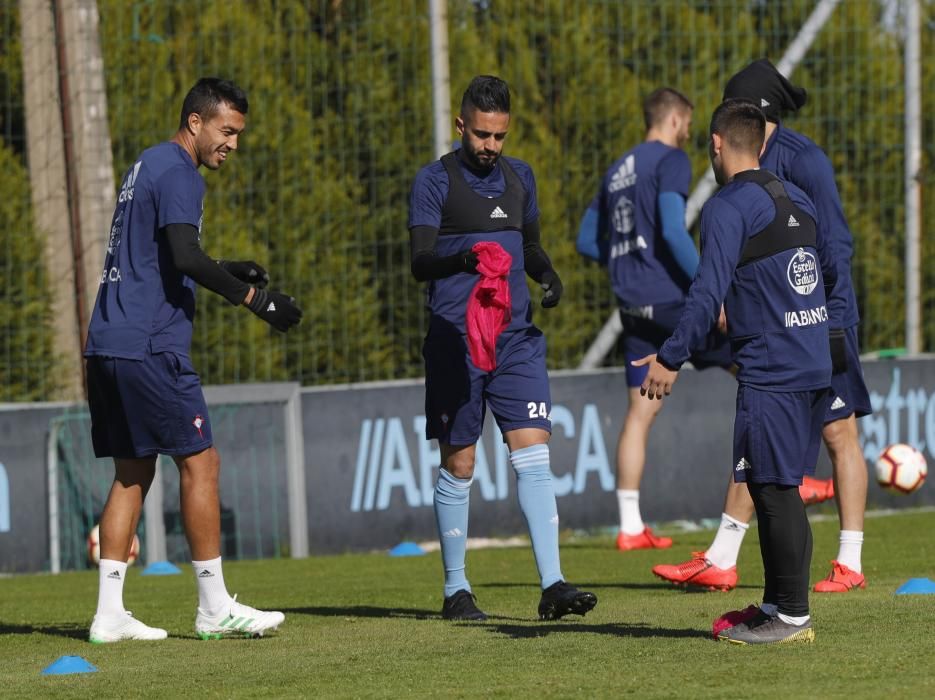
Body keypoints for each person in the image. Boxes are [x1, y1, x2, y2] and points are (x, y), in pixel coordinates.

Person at [84, 78, 302, 643]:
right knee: (200, 463)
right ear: (196, 122)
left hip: (107, 339)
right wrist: (256, 299)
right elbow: (183, 253)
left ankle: (109, 614)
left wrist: (226, 266)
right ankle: (214, 607)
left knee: (132, 471)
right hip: (150, 344)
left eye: (238, 133)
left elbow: (157, 254)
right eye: (227, 131)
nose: (232, 143)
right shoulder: (182, 173)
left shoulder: (146, 165)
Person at [652, 59, 872, 594]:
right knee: (765, 454)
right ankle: (727, 557)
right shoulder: (750, 175)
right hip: (780, 329)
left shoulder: (803, 165)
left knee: (837, 434)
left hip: (821, 322)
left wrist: (834, 323)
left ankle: (849, 561)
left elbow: (831, 250)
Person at [638, 98, 835, 644]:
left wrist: (669, 357)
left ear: (717, 144)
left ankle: (793, 617)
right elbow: (829, 271)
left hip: (773, 367)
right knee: (778, 485)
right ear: (763, 144)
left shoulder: (728, 206)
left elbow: (705, 295)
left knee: (772, 488)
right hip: (814, 358)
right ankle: (775, 604)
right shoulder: (796, 196)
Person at [409, 75, 597, 621]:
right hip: (456, 341)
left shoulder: (520, 178)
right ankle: (455, 591)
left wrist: (547, 274)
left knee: (533, 453)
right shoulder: (433, 182)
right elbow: (420, 261)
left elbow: (530, 244)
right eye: (483, 135)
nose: (491, 147)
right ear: (461, 124)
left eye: (501, 136)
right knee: (460, 462)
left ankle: (554, 584)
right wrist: (461, 261)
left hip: (515, 338)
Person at [576, 88, 733, 551]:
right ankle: (791, 474)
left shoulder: (617, 169)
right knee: (755, 368)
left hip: (632, 306)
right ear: (675, 121)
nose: (689, 132)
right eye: (687, 124)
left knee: (640, 413)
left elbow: (587, 241)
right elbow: (670, 228)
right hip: (671, 302)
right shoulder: (671, 160)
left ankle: (629, 526)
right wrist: (711, 284)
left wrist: (626, 260)